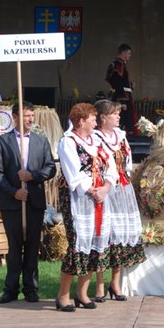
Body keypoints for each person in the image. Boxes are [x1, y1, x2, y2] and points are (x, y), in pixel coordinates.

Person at [0, 101, 57, 304]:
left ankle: (31, 289)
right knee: (14, 247)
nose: (30, 119)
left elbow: (50, 168)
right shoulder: (2, 142)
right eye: (26, 115)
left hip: (34, 201)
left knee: (32, 246)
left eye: (32, 116)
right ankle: (10, 289)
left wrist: (32, 176)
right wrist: (14, 192)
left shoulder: (41, 141)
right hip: (12, 204)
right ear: (16, 117)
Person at [55, 103, 118, 311]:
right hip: (77, 199)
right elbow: (73, 172)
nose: (95, 121)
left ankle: (82, 293)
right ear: (81, 121)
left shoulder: (97, 141)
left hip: (100, 197)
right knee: (77, 244)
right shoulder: (68, 142)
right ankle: (63, 296)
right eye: (92, 118)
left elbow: (111, 166)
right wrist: (93, 190)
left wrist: (106, 187)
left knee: (94, 243)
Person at [93, 100, 146, 302]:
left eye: (117, 113)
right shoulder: (95, 138)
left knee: (120, 233)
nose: (118, 116)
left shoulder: (121, 137)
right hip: (105, 190)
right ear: (103, 117)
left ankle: (115, 283)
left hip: (122, 188)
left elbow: (128, 162)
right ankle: (99, 284)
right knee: (104, 235)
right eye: (114, 114)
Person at [105, 44, 137, 135]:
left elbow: (121, 82)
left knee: (128, 120)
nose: (130, 56)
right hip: (122, 98)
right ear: (123, 52)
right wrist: (122, 101)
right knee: (123, 120)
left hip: (125, 96)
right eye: (129, 53)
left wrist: (130, 86)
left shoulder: (121, 64)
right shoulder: (117, 65)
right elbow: (117, 83)